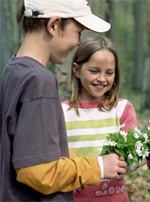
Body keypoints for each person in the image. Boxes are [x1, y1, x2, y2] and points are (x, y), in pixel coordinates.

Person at [0, 0, 127, 201]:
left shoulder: (13, 70)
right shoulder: (39, 81)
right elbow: (36, 170)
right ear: (53, 25)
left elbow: (42, 150)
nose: (78, 43)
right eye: (78, 32)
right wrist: (98, 167)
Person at [62, 35, 138, 202]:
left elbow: (132, 158)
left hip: (113, 198)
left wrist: (127, 160)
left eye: (109, 73)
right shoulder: (61, 112)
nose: (102, 79)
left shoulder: (122, 109)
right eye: (94, 71)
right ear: (76, 70)